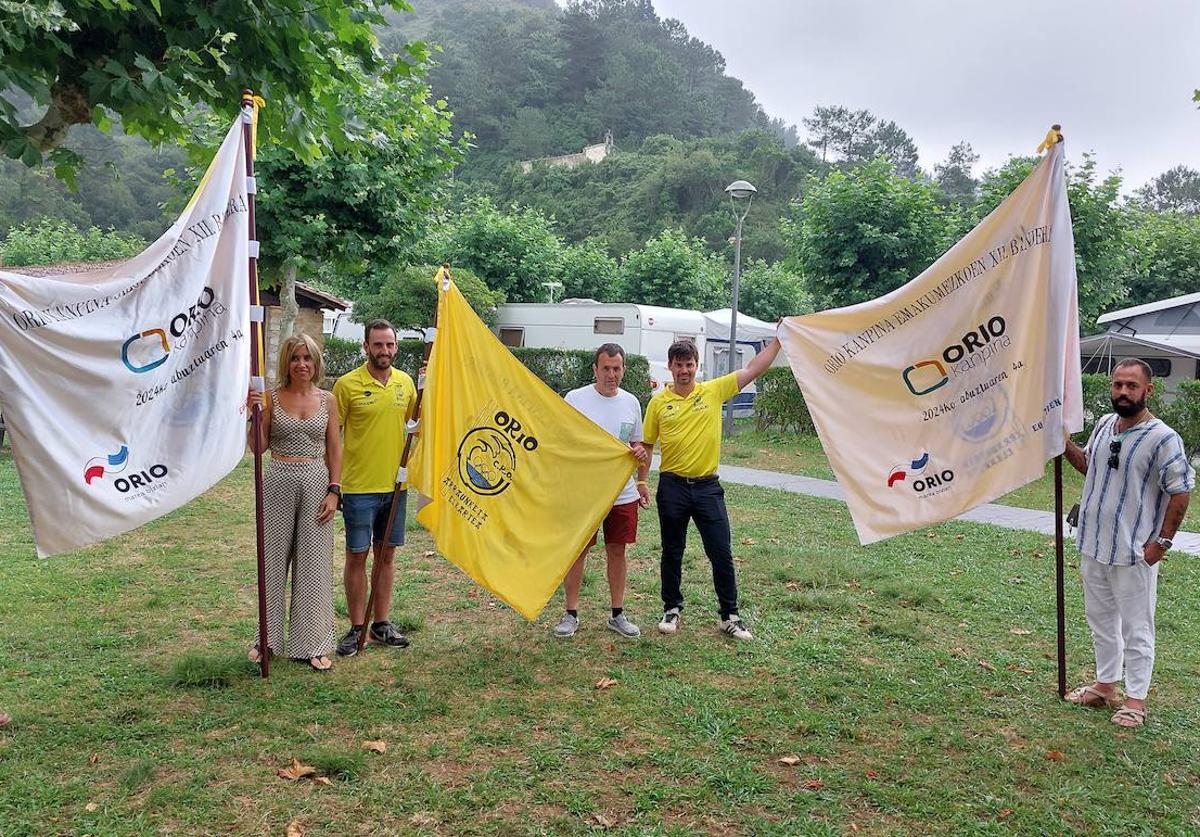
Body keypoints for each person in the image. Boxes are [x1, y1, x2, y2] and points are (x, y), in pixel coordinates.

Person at [1063, 358, 1193, 728]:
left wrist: (1161, 543)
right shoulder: (1105, 424)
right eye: (1118, 385)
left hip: (1134, 552)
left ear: (1147, 391)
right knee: (1100, 621)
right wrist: (1064, 443)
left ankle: (1135, 701)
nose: (1123, 392)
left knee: (1136, 627)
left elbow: (1180, 492)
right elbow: (1090, 465)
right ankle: (1105, 686)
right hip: (1093, 545)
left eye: (1131, 386)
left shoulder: (1164, 438)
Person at [638, 337, 782, 641]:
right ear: (670, 367)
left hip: (707, 488)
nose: (684, 371)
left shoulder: (713, 391)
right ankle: (671, 609)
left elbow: (754, 368)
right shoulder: (658, 403)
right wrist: (641, 481)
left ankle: (730, 616)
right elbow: (647, 445)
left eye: (689, 365)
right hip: (672, 486)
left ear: (697, 366)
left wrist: (779, 341)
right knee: (672, 551)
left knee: (720, 552)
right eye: (679, 365)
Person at [246, 333, 342, 671]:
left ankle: (313, 643)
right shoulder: (271, 398)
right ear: (286, 362)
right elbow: (257, 448)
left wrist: (334, 489)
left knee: (314, 563)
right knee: (272, 561)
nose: (301, 364)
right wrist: (253, 415)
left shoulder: (328, 400)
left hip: (317, 481)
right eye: (295, 358)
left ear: (316, 362)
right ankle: (266, 639)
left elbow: (335, 448)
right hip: (279, 479)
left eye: (307, 358)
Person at [554, 344, 652, 639]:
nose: (612, 374)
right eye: (606, 368)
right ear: (595, 369)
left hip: (621, 493)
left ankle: (617, 614)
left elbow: (639, 445)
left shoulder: (631, 402)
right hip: (583, 492)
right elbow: (560, 441)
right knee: (578, 550)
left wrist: (641, 471)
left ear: (624, 370)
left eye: (617, 368)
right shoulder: (575, 399)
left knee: (617, 551)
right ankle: (570, 613)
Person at [332, 320, 417, 656]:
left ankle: (381, 624)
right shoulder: (347, 385)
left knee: (386, 556)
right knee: (357, 555)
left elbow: (416, 426)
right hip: (358, 487)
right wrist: (334, 483)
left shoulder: (407, 384)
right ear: (365, 346)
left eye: (390, 345)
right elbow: (333, 438)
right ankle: (357, 628)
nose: (385, 351)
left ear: (396, 347)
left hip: (396, 486)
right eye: (378, 345)